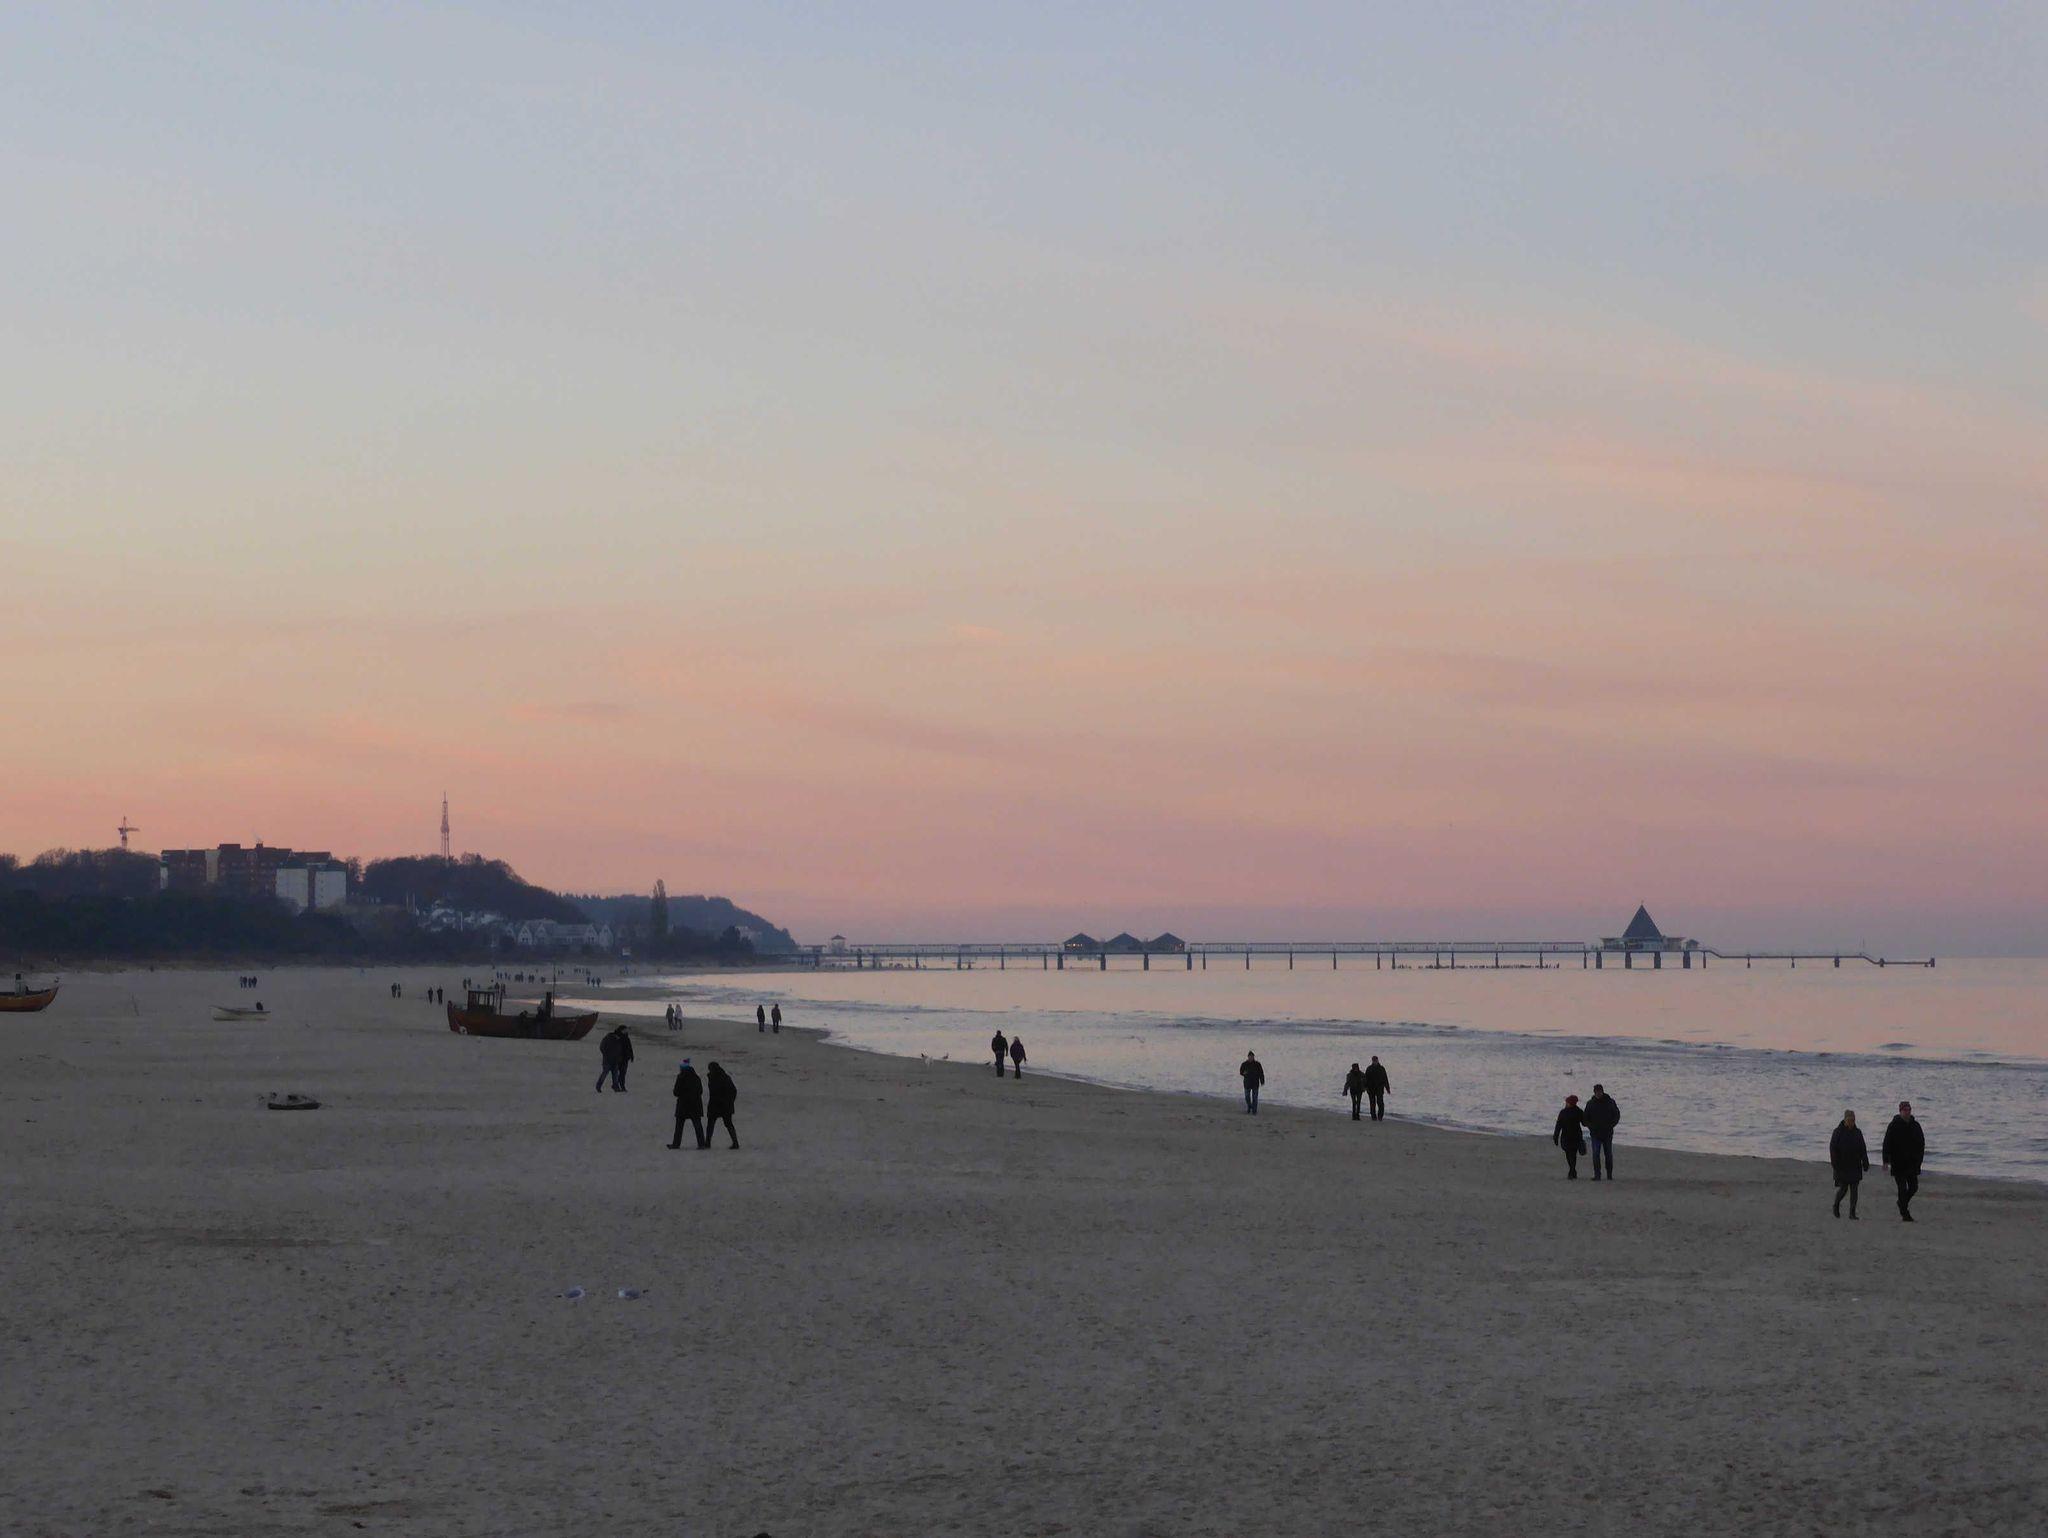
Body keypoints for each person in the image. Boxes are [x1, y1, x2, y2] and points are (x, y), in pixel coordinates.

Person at [1881, 1101, 1925, 1222]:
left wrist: (1919, 1160)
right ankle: (1905, 1214)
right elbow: (1887, 1143)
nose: (1907, 1112)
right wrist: (1885, 1161)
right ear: (1900, 1111)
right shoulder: (1893, 1125)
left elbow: (1921, 1144)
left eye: (1909, 1110)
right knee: (1902, 1189)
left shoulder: (1916, 1125)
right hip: (1898, 1163)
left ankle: (1901, 1203)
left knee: (1914, 1187)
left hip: (1912, 1163)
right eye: (1905, 1110)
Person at [1830, 1110, 1870, 1218]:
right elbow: (1833, 1150)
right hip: (1842, 1166)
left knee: (1854, 1189)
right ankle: (1836, 1205)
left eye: (1853, 1120)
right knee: (1843, 1189)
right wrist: (1835, 1165)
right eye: (1849, 1120)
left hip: (1855, 1165)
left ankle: (1852, 1213)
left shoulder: (1858, 1132)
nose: (1851, 1122)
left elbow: (1863, 1148)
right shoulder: (1837, 1132)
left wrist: (1865, 1162)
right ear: (1845, 1120)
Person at [1584, 1083, 1620, 1180]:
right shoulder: (1590, 1103)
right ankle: (1597, 1175)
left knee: (1608, 1154)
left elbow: (1616, 1115)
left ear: (1602, 1091)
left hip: (1607, 1133)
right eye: (1596, 1092)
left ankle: (1609, 1175)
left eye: (1599, 1092)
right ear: (1594, 1092)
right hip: (1595, 1134)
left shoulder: (1610, 1102)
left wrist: (1611, 1125)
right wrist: (1591, 1127)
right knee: (1596, 1154)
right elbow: (1585, 1118)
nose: (1598, 1094)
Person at [669, 1059, 705, 1149]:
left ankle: (676, 1144)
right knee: (697, 1125)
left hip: (683, 1105)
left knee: (679, 1127)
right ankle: (701, 1144)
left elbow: (676, 1092)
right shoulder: (696, 1077)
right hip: (695, 1105)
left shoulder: (680, 1078)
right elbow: (700, 1091)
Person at [705, 1062, 739, 1149]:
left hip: (719, 1105)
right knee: (727, 1124)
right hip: (722, 1105)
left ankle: (707, 1143)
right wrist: (730, 1102)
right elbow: (733, 1091)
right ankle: (735, 1142)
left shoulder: (720, 1078)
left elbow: (732, 1091)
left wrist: (727, 1101)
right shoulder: (724, 1077)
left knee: (712, 1124)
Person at [1552, 1094, 1586, 1179]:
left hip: (1573, 1137)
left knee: (1571, 1154)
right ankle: (1572, 1170)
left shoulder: (1576, 1112)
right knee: (1570, 1154)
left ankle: (1572, 1171)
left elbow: (1584, 1122)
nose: (1566, 1103)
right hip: (1569, 1136)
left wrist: (1556, 1136)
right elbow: (1559, 1125)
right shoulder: (1567, 1112)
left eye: (1567, 1102)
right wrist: (1555, 1136)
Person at [1363, 1056, 1390, 1121]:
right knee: (1372, 1103)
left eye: (1376, 1060)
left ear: (1378, 1060)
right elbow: (1365, 1078)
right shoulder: (1369, 1068)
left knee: (1380, 1103)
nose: (1375, 1062)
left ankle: (1380, 1116)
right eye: (1374, 1060)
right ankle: (1373, 1116)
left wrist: (1387, 1088)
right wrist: (1365, 1087)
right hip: (1371, 1088)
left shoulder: (1381, 1068)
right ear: (1372, 1061)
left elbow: (1385, 1078)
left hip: (1379, 1088)